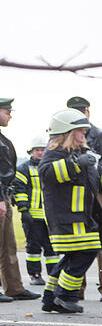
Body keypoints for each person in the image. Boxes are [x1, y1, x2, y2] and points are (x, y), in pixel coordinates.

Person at [38, 109, 102, 313]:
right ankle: (65, 296)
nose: (84, 135)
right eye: (81, 131)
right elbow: (47, 173)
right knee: (86, 252)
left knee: (73, 255)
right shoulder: (56, 153)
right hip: (67, 217)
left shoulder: (78, 154)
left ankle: (51, 297)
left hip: (81, 216)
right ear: (68, 131)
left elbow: (93, 183)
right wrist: (75, 164)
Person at [66, 97, 102, 301]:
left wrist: (91, 167)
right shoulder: (65, 136)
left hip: (98, 190)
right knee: (77, 239)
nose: (80, 115)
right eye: (75, 112)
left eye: (83, 111)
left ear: (88, 113)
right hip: (75, 192)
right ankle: (76, 288)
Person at [0, 98, 41, 303]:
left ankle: (14, 287)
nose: (10, 115)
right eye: (6, 111)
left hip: (4, 196)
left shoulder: (3, 139)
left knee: (8, 245)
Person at [12, 136, 58, 285]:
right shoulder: (24, 168)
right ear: (31, 152)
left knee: (52, 248)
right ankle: (35, 275)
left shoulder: (53, 166)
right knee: (33, 247)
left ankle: (53, 275)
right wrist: (24, 210)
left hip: (51, 216)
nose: (40, 153)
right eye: (37, 150)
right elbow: (19, 189)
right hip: (32, 216)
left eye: (42, 150)